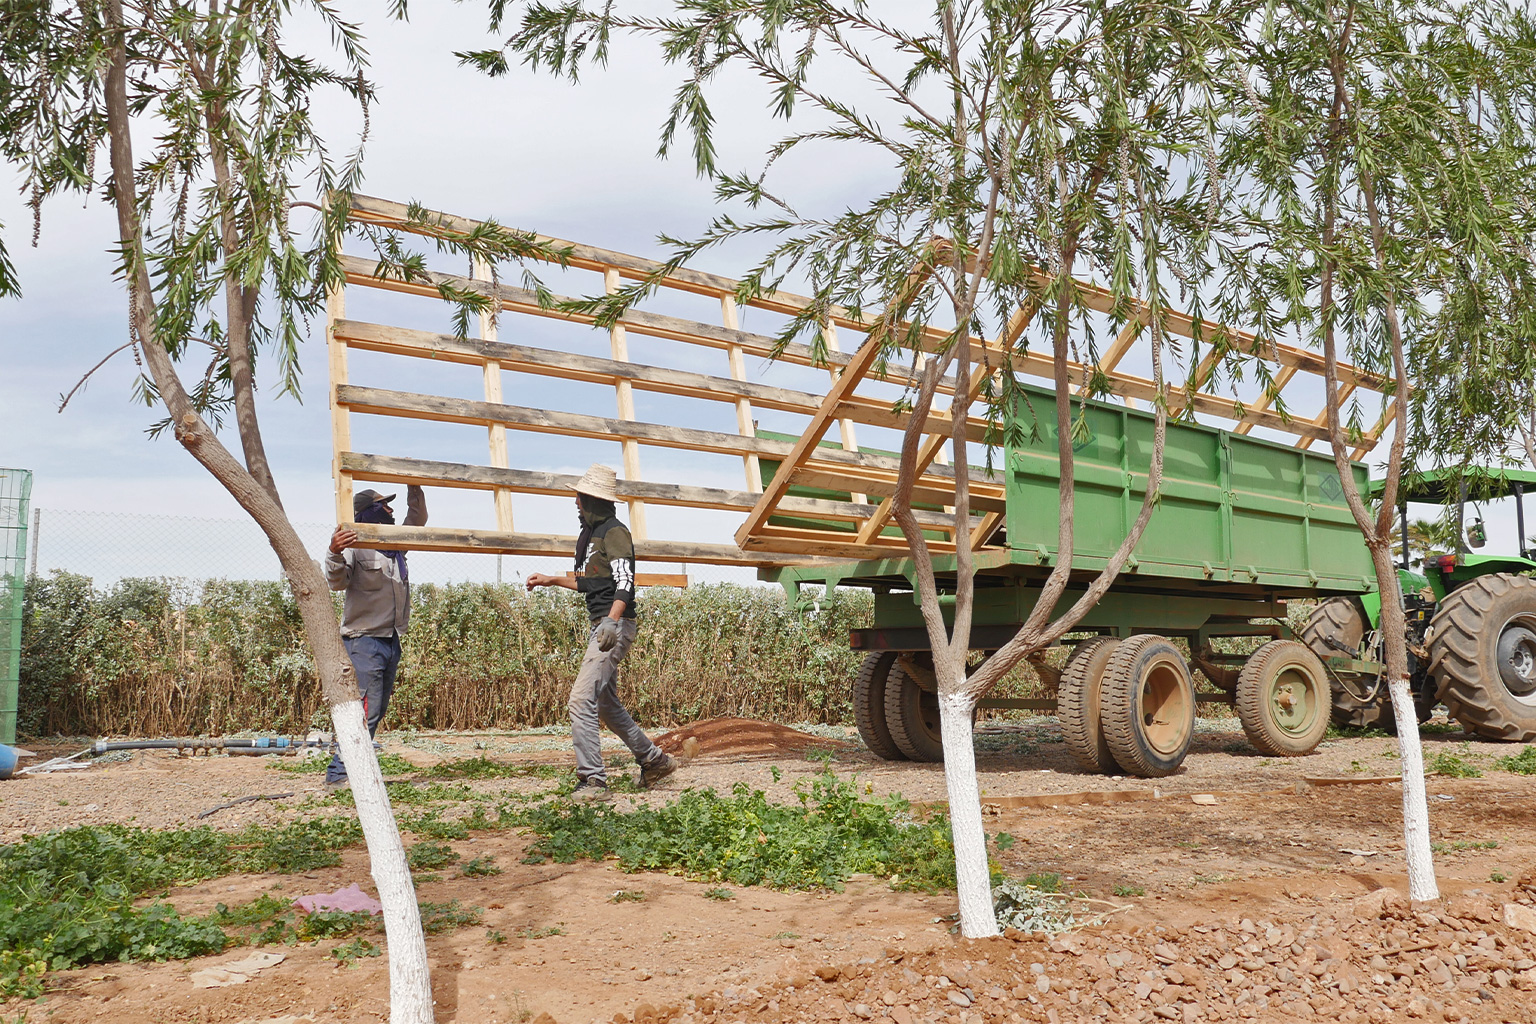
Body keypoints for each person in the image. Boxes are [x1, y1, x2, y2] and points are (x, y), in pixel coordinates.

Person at [526, 464, 678, 802]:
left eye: (578, 498)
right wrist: (551, 579)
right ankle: (654, 762)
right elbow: (589, 582)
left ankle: (593, 781)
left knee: (581, 699)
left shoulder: (614, 533)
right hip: (603, 623)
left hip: (614, 625)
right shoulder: (593, 537)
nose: (575, 504)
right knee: (606, 705)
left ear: (591, 500)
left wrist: (611, 621)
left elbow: (625, 582)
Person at [323, 485, 427, 789]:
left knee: (375, 709)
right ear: (368, 511)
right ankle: (339, 775)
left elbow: (418, 517)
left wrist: (414, 485)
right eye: (384, 506)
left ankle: (356, 769)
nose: (391, 512)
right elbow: (336, 582)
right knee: (364, 710)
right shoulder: (356, 547)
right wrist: (334, 551)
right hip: (364, 641)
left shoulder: (395, 547)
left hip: (390, 639)